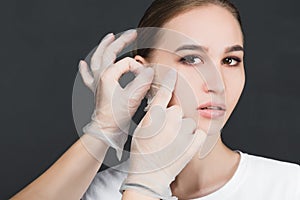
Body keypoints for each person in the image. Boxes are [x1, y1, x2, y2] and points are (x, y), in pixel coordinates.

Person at [11, 0, 300, 200]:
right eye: (191, 58)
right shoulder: (96, 191)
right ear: (145, 73)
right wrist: (104, 129)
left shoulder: (289, 186)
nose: (218, 83)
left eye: (230, 60)